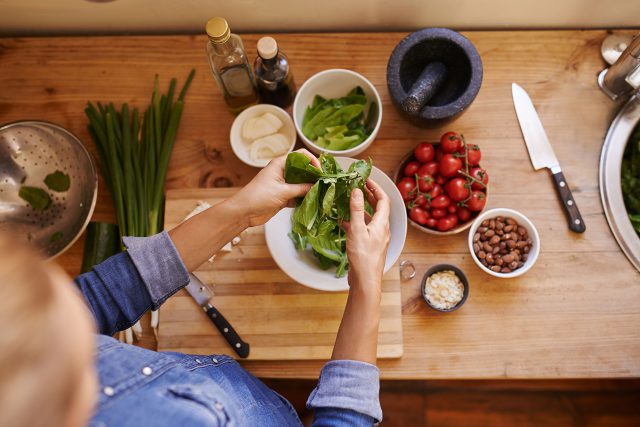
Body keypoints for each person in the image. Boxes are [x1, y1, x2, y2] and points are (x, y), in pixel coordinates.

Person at [0, 149, 391, 427]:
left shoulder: (25, 341)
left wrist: (241, 212)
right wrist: (367, 284)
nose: (76, 299)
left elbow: (102, 297)